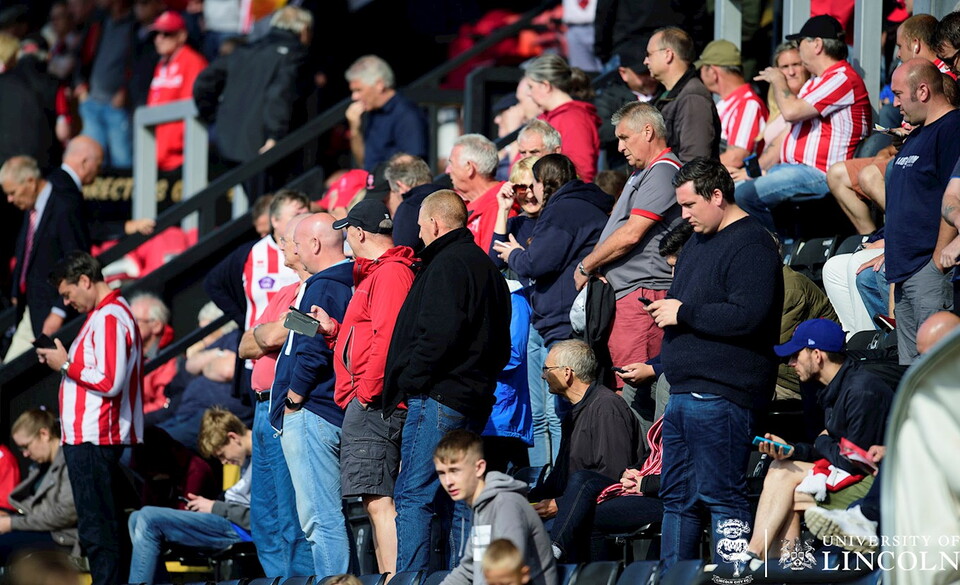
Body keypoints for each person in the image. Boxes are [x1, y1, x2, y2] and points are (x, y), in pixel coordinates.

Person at [650, 157, 783, 571]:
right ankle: (675, 581)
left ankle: (732, 578)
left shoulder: (752, 244)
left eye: (690, 205)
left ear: (718, 196)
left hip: (722, 394)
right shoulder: (696, 241)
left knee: (722, 499)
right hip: (684, 393)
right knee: (677, 501)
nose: (684, 215)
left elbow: (748, 315)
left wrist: (683, 313)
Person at [384, 189, 512, 573]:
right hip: (473, 397)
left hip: (439, 396)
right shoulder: (486, 268)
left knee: (415, 495)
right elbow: (500, 344)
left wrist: (412, 380)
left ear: (435, 224)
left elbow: (437, 336)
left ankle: (411, 581)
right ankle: (466, 578)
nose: (419, 234)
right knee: (461, 499)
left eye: (421, 226)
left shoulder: (446, 264)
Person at [309, 200, 416, 576]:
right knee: (375, 501)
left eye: (347, 233)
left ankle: (394, 579)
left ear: (358, 233)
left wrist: (367, 393)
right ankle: (390, 578)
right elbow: (370, 335)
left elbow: (388, 339)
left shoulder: (390, 273)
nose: (347, 241)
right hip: (371, 398)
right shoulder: (381, 273)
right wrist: (333, 332)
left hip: (375, 402)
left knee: (379, 502)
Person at [737, 319, 893, 565]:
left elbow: (852, 461)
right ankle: (776, 564)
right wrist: (792, 450)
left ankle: (758, 558)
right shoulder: (836, 387)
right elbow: (831, 448)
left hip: (874, 487)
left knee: (785, 481)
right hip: (849, 474)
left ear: (817, 355)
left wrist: (821, 442)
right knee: (781, 470)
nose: (790, 363)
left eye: (796, 355)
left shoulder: (861, 390)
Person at [35, 251, 143, 585]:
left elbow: (109, 381)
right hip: (89, 437)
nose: (67, 303)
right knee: (104, 528)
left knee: (99, 531)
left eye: (68, 294)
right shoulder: (104, 314)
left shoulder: (110, 315)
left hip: (96, 437)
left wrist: (65, 365)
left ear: (85, 280)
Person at [573, 102, 681, 422]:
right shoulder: (643, 172)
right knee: (624, 388)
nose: (619, 147)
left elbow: (632, 233)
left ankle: (644, 455)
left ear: (648, 131)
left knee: (635, 392)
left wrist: (586, 266)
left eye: (624, 137)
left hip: (643, 295)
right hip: (630, 295)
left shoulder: (663, 170)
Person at [737, 15, 871, 234]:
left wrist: (778, 80)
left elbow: (791, 112)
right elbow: (786, 134)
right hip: (792, 169)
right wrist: (753, 171)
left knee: (746, 195)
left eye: (800, 43)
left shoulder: (842, 78)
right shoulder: (817, 82)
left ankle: (769, 249)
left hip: (818, 173)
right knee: (734, 189)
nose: (798, 49)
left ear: (817, 44)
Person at [274, 212, 354, 578]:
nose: (293, 249)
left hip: (313, 411)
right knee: (328, 519)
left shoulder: (324, 286)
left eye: (297, 243)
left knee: (320, 520)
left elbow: (312, 351)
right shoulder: (346, 280)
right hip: (328, 409)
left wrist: (293, 400)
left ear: (315, 244)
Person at [236, 212, 314, 578]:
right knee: (264, 516)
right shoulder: (284, 293)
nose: (280, 245)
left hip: (287, 407)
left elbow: (274, 335)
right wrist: (271, 331)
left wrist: (269, 332)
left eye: (286, 239)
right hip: (260, 409)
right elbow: (245, 345)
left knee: (290, 514)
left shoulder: (318, 287)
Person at [527, 340, 642, 562]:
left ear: (567, 373)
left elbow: (613, 475)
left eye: (547, 369)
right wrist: (526, 497)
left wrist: (561, 504)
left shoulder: (606, 407)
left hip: (604, 505)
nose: (543, 376)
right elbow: (559, 478)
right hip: (574, 504)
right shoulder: (573, 414)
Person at [493, 154, 613, 348]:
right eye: (522, 188)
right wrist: (503, 210)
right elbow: (495, 262)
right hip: (557, 319)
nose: (530, 193)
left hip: (565, 322)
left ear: (542, 182)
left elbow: (535, 263)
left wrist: (514, 254)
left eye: (532, 185)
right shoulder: (576, 205)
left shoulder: (561, 210)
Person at [193, 6, 312, 199]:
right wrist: (274, 135)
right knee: (267, 204)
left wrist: (215, 117)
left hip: (229, 143)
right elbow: (279, 94)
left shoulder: (245, 50)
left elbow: (203, 82)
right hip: (262, 145)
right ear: (304, 30)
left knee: (252, 206)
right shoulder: (293, 53)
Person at [885, 58, 960, 365]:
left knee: (933, 370)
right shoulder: (917, 133)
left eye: (899, 94)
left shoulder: (953, 128)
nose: (894, 103)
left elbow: (954, 195)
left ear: (923, 91)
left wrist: (937, 263)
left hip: (928, 271)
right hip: (905, 273)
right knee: (910, 375)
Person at [128, 407, 253, 585]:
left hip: (237, 528)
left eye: (222, 455)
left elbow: (259, 517)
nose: (224, 462)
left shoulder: (261, 460)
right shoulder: (245, 460)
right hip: (224, 517)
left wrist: (214, 507)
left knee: (148, 517)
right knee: (135, 518)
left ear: (233, 437)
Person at [434, 430, 556, 585]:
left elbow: (508, 574)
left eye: (454, 471)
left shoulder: (507, 505)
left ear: (479, 468)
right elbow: (469, 569)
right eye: (442, 473)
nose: (448, 481)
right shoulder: (481, 507)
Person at [3, 155, 90, 363]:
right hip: (30, 309)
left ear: (30, 182)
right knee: (10, 373)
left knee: (43, 373)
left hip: (53, 313)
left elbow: (76, 259)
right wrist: (16, 291)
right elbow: (25, 251)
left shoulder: (64, 206)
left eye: (13, 192)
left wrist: (59, 310)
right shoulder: (32, 208)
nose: (10, 199)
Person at [0, 409, 77, 564]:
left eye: (26, 446)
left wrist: (11, 523)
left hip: (61, 536)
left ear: (44, 434)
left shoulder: (69, 462)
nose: (25, 454)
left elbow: (65, 514)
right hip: (40, 528)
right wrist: (8, 517)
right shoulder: (39, 466)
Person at [73, 0, 136, 170]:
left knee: (122, 160)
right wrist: (80, 84)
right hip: (91, 101)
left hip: (118, 105)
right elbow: (82, 54)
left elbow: (137, 64)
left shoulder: (134, 25)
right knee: (89, 160)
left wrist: (125, 90)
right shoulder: (98, 22)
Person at [644, 26, 721, 163]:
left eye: (649, 54)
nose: (645, 61)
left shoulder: (693, 98)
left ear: (668, 54)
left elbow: (694, 161)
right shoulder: (668, 95)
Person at [521, 54, 600, 182]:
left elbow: (581, 172)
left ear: (545, 86)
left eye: (531, 87)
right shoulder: (547, 117)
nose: (529, 93)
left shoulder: (574, 119)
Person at [146, 10, 208, 172]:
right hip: (158, 152)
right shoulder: (161, 64)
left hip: (180, 157)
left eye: (166, 34)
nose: (159, 39)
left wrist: (177, 145)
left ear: (181, 36)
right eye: (157, 34)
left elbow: (191, 107)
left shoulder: (193, 62)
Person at [345, 54, 429, 172]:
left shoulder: (406, 114)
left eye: (359, 90)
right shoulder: (372, 112)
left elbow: (413, 166)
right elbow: (364, 163)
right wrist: (355, 129)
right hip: (373, 181)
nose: (354, 97)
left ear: (379, 85)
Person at [695, 40, 768, 171]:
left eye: (701, 69)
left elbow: (736, 157)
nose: (700, 75)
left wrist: (697, 172)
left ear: (713, 72)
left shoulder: (748, 104)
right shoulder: (727, 103)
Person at [446, 133, 511, 253]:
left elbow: (488, 259)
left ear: (469, 167)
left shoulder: (501, 205)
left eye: (451, 163)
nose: (447, 170)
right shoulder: (458, 201)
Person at [129, 292, 175, 417]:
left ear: (156, 326)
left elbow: (163, 403)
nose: (127, 325)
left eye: (135, 320)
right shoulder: (129, 354)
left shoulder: (169, 359)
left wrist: (128, 415)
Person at [387, 154, 444, 249]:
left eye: (395, 191)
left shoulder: (409, 207)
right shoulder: (451, 196)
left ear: (400, 185)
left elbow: (402, 250)